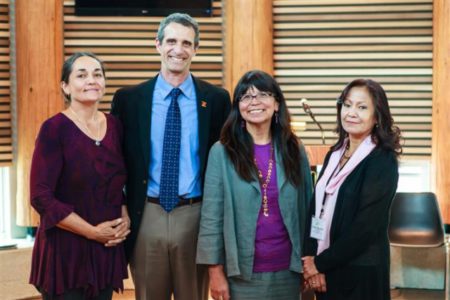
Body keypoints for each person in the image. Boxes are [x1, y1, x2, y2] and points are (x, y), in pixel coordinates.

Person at [110, 13, 231, 300]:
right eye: (172, 41)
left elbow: (224, 163)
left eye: (187, 43)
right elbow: (114, 164)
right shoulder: (128, 100)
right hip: (147, 212)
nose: (179, 49)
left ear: (196, 49)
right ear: (158, 45)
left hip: (195, 215)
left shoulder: (216, 100)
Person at [196, 70, 313, 300]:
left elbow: (308, 208)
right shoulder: (222, 152)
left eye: (263, 94)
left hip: (289, 271)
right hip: (241, 273)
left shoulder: (294, 149)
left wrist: (309, 260)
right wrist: (215, 271)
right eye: (246, 96)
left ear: (277, 104)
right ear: (238, 107)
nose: (254, 102)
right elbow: (211, 217)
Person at [29, 52, 130, 300]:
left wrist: (124, 216)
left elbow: (119, 182)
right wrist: (91, 232)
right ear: (65, 85)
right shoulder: (54, 129)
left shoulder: (115, 125)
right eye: (81, 75)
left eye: (97, 74)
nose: (91, 80)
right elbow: (41, 197)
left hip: (105, 248)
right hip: (66, 252)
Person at [302, 79, 402, 300]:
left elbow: (366, 227)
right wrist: (310, 257)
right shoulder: (335, 153)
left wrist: (319, 263)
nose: (351, 113)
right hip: (326, 268)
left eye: (362, 107)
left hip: (360, 272)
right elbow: (316, 207)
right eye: (347, 105)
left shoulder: (382, 160)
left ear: (377, 116)